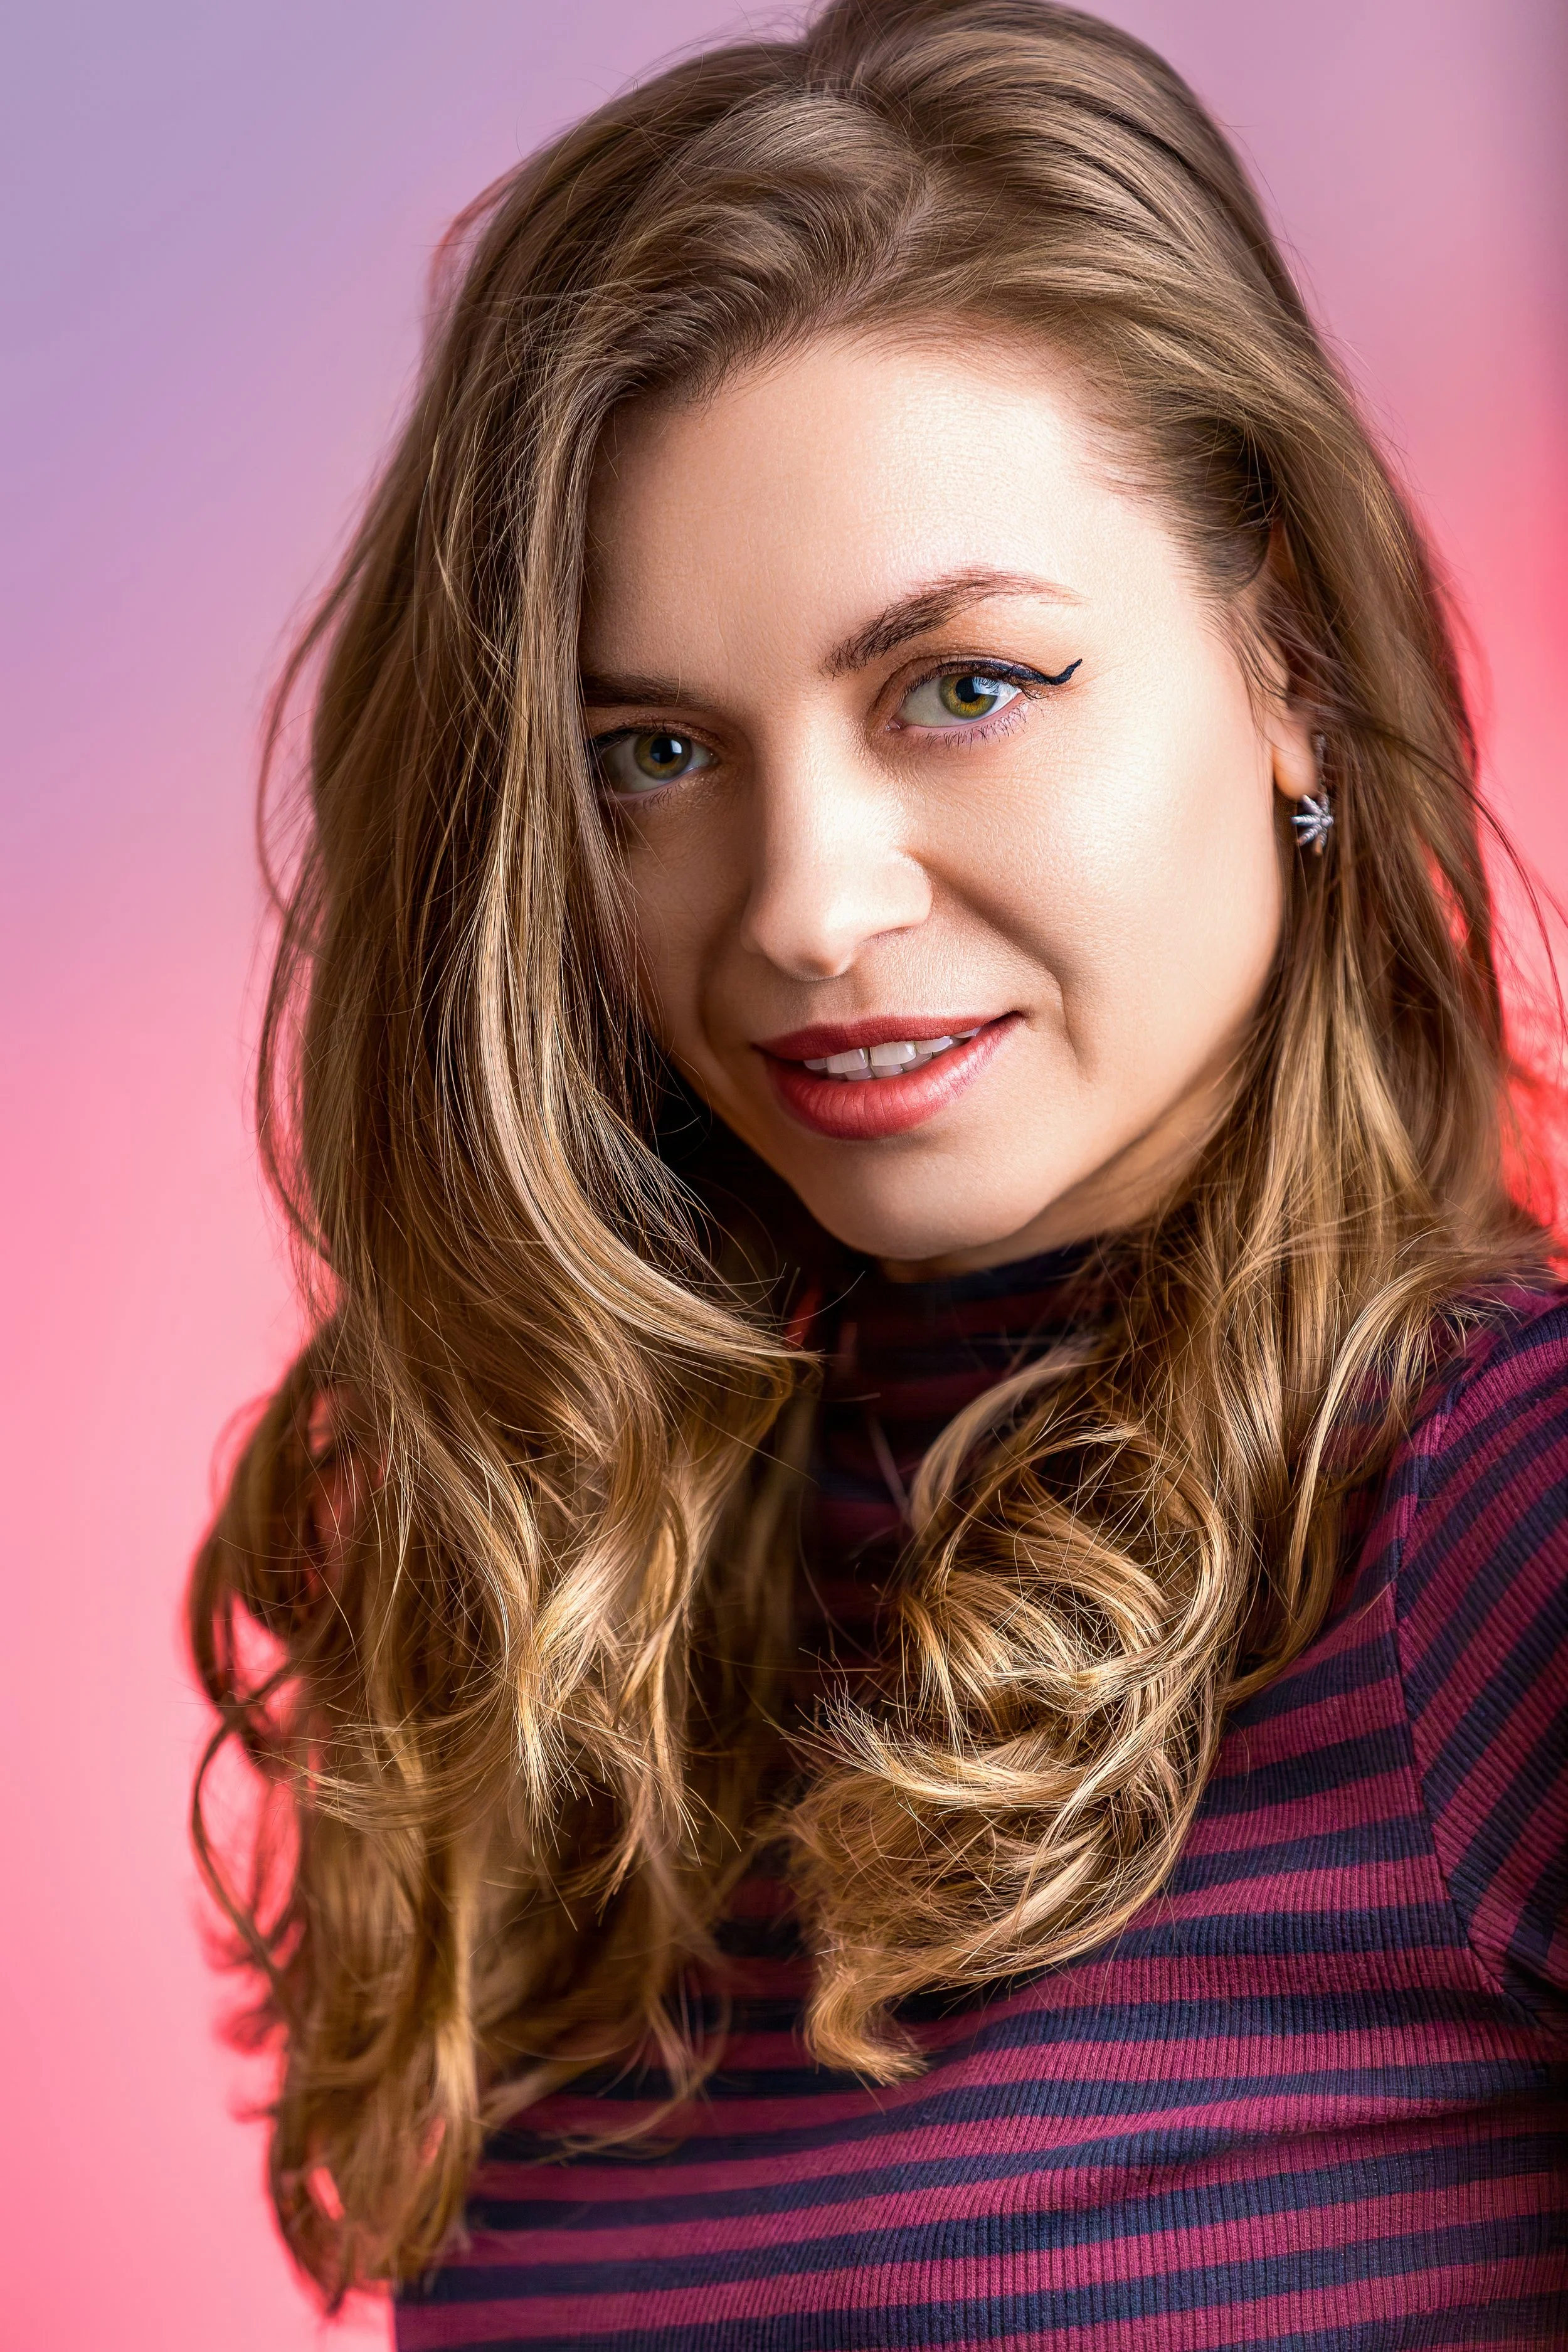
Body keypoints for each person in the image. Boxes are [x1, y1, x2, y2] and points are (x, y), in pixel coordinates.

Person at [189, 2, 1568, 2343]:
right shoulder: (590, 1640)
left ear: (1289, 667)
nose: (805, 901)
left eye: (962, 685)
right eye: (650, 748)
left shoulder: (1495, 1519)